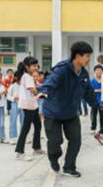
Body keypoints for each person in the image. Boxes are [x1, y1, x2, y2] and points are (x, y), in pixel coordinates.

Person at [40, 42, 98, 176]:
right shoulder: (62, 69)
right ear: (77, 56)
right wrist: (42, 91)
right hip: (53, 112)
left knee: (76, 140)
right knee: (55, 142)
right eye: (87, 56)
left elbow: (88, 92)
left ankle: (69, 167)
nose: (89, 59)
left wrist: (96, 105)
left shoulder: (83, 73)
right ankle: (54, 157)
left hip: (71, 112)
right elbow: (51, 81)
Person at [15, 56, 45, 162]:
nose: (36, 67)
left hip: (33, 104)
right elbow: (32, 90)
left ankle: (36, 148)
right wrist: (42, 92)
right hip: (28, 105)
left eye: (36, 65)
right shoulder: (27, 76)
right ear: (27, 67)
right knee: (26, 128)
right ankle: (19, 152)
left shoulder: (29, 76)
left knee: (38, 125)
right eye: (33, 65)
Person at [7, 74, 23, 145]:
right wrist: (13, 98)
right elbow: (8, 96)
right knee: (13, 120)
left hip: (23, 104)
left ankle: (23, 137)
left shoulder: (24, 86)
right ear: (16, 78)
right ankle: (12, 137)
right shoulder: (12, 86)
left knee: (23, 121)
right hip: (15, 104)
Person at [90, 64, 103, 134]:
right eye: (97, 70)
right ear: (95, 72)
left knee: (102, 116)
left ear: (102, 72)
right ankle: (93, 128)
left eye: (100, 70)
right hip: (94, 101)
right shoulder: (92, 80)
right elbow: (90, 90)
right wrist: (99, 90)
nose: (99, 72)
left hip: (102, 101)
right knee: (94, 115)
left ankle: (102, 129)